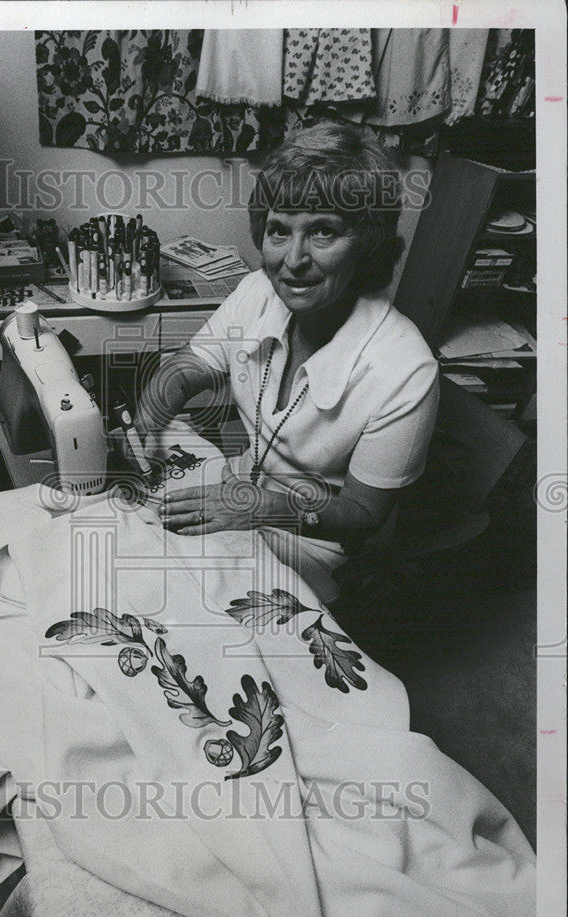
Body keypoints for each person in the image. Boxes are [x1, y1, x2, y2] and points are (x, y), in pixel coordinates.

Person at [134, 120, 439, 603]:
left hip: (314, 538)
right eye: (279, 231)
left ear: (368, 241)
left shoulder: (405, 369)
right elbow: (193, 362)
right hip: (238, 490)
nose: (292, 260)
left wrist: (264, 507)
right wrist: (153, 410)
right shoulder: (258, 290)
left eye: (323, 232)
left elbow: (363, 514)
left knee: (176, 603)